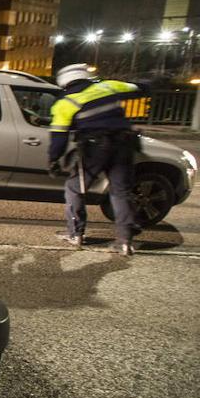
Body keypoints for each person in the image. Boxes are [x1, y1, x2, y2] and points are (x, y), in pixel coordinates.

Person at [48, 63, 146, 255]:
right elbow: (139, 88)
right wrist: (146, 82)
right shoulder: (107, 86)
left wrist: (53, 160)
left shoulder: (66, 103)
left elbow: (58, 137)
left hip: (95, 147)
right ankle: (125, 241)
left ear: (64, 83)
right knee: (120, 191)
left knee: (75, 188)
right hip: (124, 144)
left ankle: (76, 234)